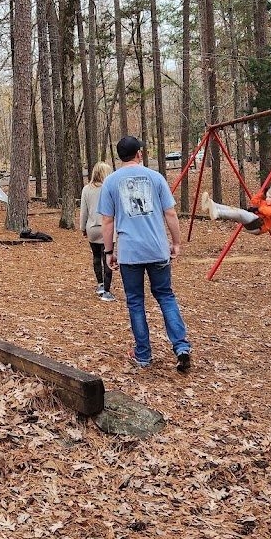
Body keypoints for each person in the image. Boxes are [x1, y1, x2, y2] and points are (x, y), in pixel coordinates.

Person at [98, 136, 191, 372]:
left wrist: (109, 251)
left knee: (136, 302)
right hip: (157, 249)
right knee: (166, 296)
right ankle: (181, 346)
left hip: (130, 252)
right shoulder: (156, 177)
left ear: (120, 157)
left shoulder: (110, 182)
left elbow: (107, 221)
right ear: (138, 154)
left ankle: (143, 355)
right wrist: (176, 242)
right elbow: (170, 213)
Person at [80, 162, 114, 301]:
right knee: (108, 258)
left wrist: (83, 227)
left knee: (96, 257)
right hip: (109, 228)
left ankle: (100, 284)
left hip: (92, 228)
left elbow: (84, 212)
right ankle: (106, 291)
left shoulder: (87, 189)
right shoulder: (110, 189)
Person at [200, 186, 271, 235]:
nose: (267, 199)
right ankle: (212, 204)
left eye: (270, 197)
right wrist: (262, 193)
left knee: (241, 213)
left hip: (259, 226)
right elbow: (254, 200)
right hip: (253, 223)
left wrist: (259, 209)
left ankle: (218, 213)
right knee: (234, 209)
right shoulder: (264, 203)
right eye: (267, 197)